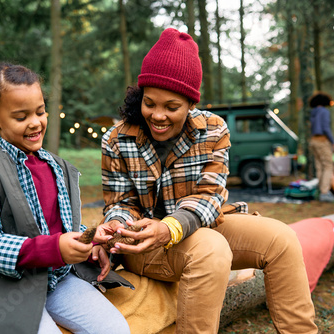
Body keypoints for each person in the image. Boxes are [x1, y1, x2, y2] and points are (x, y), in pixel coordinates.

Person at [95, 28, 318, 334]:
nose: (157, 115)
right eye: (150, 103)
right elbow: (120, 203)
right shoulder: (117, 139)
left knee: (281, 239)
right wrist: (120, 226)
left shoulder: (213, 130)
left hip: (197, 225)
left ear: (190, 104)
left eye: (171, 107)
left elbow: (211, 195)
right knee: (211, 248)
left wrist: (171, 227)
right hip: (144, 244)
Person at [0, 63, 130, 334]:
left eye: (40, 111)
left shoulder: (57, 166)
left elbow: (58, 228)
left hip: (57, 280)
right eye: (21, 117)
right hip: (6, 287)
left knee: (115, 329)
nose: (35, 122)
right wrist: (53, 248)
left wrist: (89, 240)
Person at [308, 92, 334, 202]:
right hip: (322, 140)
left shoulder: (313, 112)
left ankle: (320, 191)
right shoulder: (324, 112)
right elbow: (326, 128)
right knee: (328, 165)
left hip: (313, 141)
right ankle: (324, 192)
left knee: (319, 166)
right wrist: (333, 142)